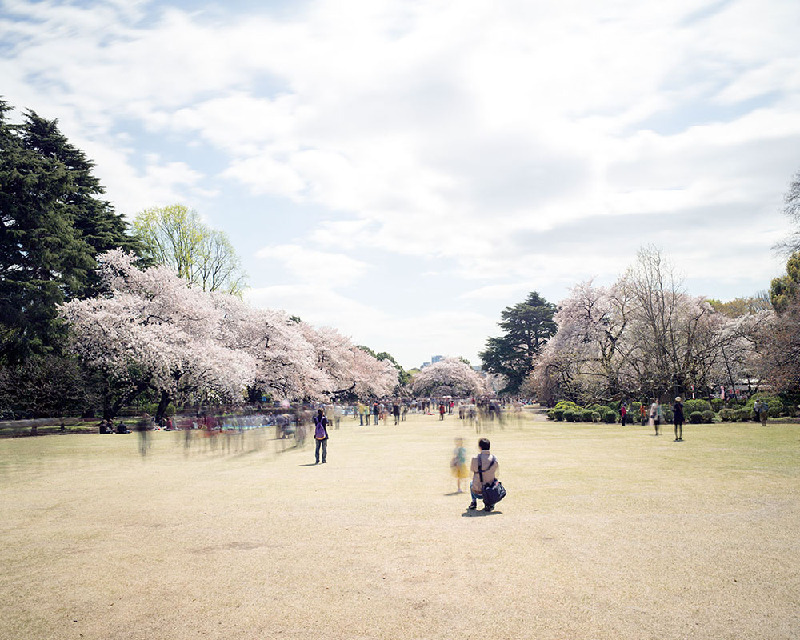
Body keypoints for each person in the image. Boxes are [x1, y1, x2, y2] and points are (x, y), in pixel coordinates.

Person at [468, 437, 499, 512]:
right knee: (495, 482)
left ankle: (474, 502)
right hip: (490, 492)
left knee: (471, 482)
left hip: (477, 491)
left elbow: (471, 473)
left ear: (480, 447)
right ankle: (490, 504)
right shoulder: (494, 459)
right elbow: (497, 474)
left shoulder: (474, 458)